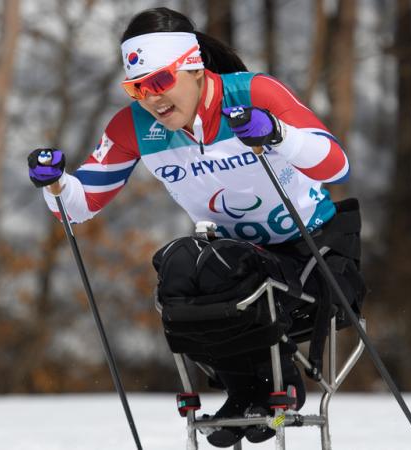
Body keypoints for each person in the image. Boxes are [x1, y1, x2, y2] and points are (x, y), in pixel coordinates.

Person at [27, 7, 365, 448]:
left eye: (160, 81)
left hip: (314, 263)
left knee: (210, 263)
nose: (151, 98)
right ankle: (247, 392)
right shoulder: (135, 126)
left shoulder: (254, 93)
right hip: (239, 273)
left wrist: (278, 133)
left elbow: (336, 166)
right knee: (179, 264)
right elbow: (77, 205)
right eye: (136, 88)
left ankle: (275, 387)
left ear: (194, 67)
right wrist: (53, 182)